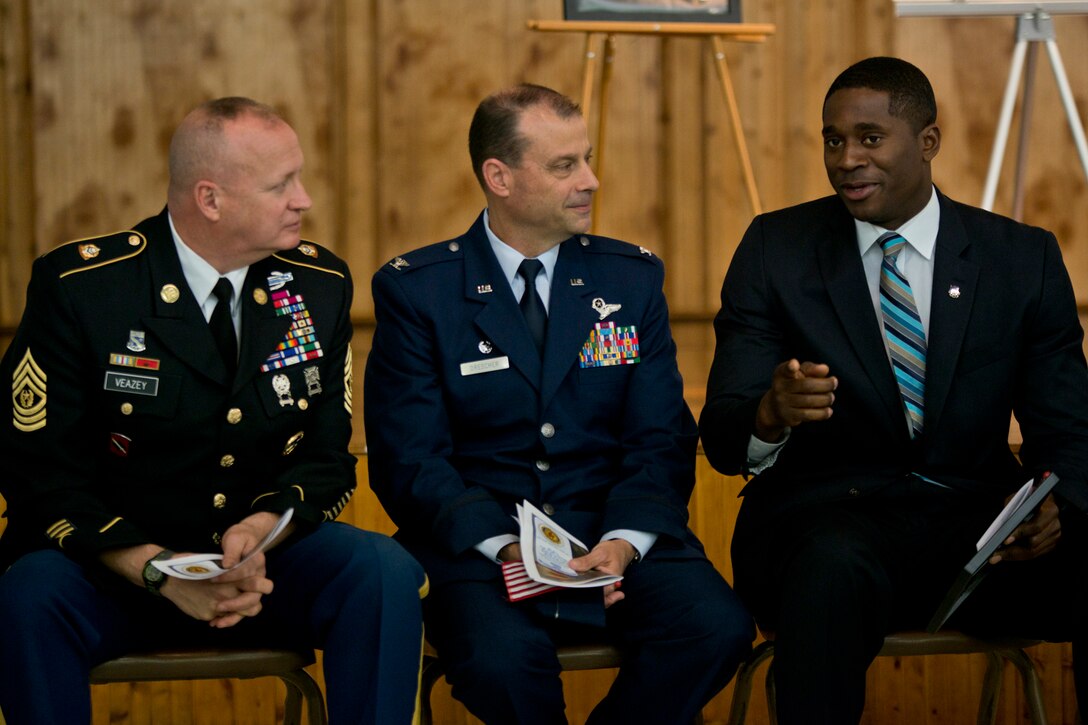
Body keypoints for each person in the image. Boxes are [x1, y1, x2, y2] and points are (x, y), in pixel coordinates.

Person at [0, 97, 428, 724]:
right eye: (281, 184)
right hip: (110, 575)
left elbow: (326, 456)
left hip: (257, 572)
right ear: (210, 199)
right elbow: (37, 470)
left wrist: (261, 529)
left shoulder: (318, 285)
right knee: (27, 593)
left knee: (381, 571)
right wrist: (153, 568)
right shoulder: (85, 289)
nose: (304, 199)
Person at [699, 56, 1088, 723]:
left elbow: (1070, 427)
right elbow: (724, 435)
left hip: (979, 530)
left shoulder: (1020, 258)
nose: (846, 157)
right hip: (826, 528)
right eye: (832, 139)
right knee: (828, 571)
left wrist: (1057, 506)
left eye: (869, 138)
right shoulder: (776, 249)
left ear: (927, 143)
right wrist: (770, 413)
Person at [364, 83, 753, 724]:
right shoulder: (421, 292)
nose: (591, 180)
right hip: (485, 549)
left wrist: (624, 542)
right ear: (500, 176)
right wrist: (510, 551)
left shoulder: (629, 279)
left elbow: (661, 434)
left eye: (588, 158)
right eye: (564, 165)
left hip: (610, 526)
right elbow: (410, 460)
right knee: (501, 664)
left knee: (716, 627)